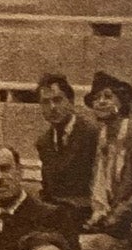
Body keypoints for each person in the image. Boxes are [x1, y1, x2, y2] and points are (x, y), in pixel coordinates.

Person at [80, 69, 132, 250]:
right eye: (97, 98)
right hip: (109, 219)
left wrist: (114, 218)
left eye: (107, 96)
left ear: (121, 101)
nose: (101, 102)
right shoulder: (100, 138)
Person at [35, 70, 99, 233]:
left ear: (70, 101)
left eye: (57, 100)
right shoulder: (44, 142)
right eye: (45, 102)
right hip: (57, 211)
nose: (52, 107)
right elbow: (48, 189)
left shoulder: (92, 134)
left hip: (86, 212)